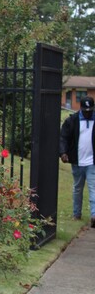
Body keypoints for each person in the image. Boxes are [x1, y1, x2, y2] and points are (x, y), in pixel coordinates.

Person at [60, 96, 95, 227]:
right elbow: (63, 137)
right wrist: (63, 153)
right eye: (85, 110)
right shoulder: (72, 121)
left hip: (92, 162)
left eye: (90, 110)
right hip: (77, 161)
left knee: (93, 188)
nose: (87, 113)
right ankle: (76, 214)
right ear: (80, 108)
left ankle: (94, 215)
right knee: (77, 189)